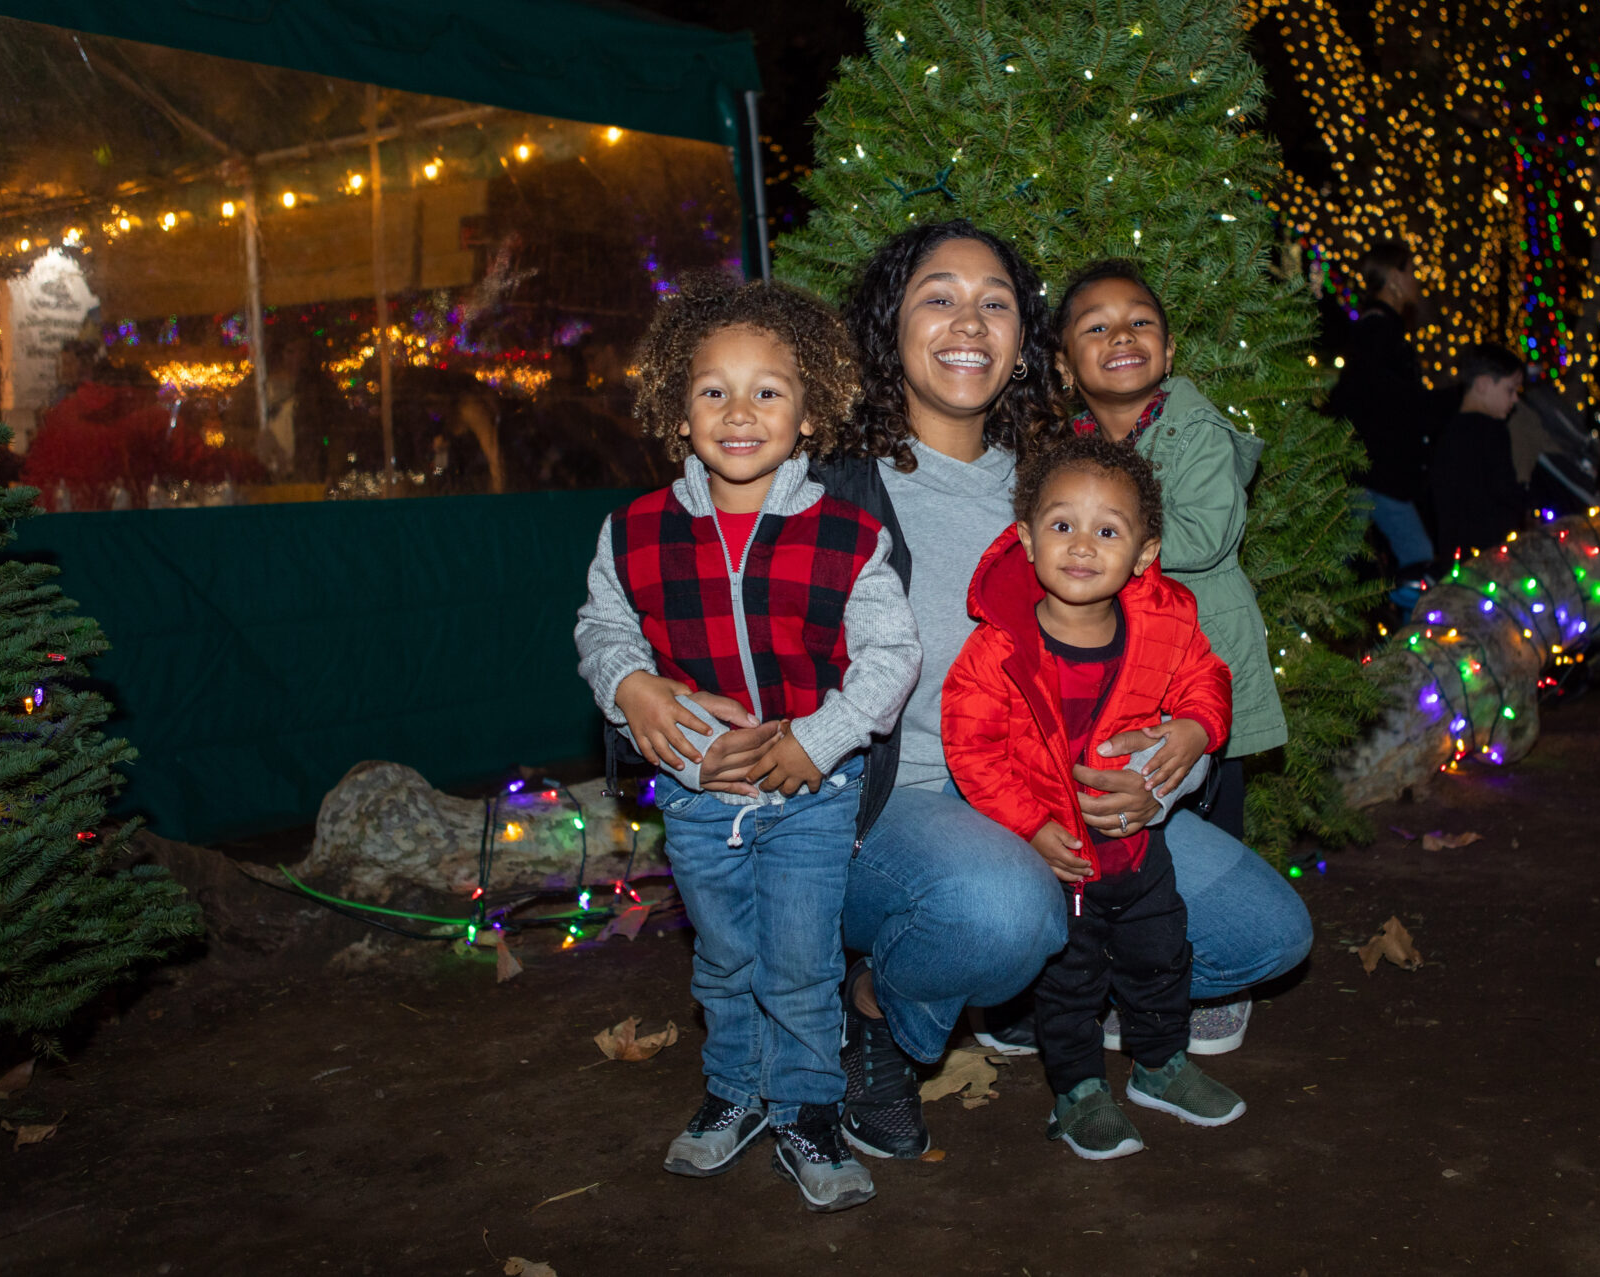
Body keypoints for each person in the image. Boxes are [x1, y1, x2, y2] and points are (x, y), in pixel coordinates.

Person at [613, 220, 1311, 1166]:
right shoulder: (815, 486)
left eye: (996, 302)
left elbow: (1155, 639)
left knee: (1273, 934)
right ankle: (880, 1009)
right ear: (888, 328)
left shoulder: (1056, 484)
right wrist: (632, 685)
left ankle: (1024, 984)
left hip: (1062, 794)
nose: (968, 321)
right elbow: (675, 588)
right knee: (1001, 910)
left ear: (1026, 339)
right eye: (937, 296)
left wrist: (1173, 756)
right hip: (879, 809)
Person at [573, 274, 921, 1213]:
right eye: (712, 390)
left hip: (811, 794)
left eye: (768, 389)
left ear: (808, 413)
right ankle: (735, 1090)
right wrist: (634, 691)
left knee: (802, 962)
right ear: (677, 413)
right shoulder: (635, 530)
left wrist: (821, 738)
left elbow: (893, 654)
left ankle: (806, 1104)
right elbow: (602, 633)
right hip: (694, 799)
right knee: (723, 959)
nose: (739, 411)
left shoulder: (849, 535)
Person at [943, 434, 1247, 1159]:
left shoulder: (1165, 623)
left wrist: (1196, 730)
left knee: (1160, 958)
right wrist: (1033, 826)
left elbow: (1207, 679)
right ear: (1025, 539)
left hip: (1141, 851)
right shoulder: (998, 649)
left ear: (1143, 552)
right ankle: (1078, 1089)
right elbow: (973, 751)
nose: (1082, 546)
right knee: (1070, 982)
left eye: (1107, 530)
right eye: (1061, 526)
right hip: (1061, 861)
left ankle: (1160, 1062)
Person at [1053, 259, 1288, 842]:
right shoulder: (1072, 450)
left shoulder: (1196, 430)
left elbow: (1207, 536)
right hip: (1125, 660)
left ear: (1170, 348)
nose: (1122, 336)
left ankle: (1217, 910)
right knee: (1124, 807)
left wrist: (1105, 543)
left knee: (1206, 805)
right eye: (1097, 328)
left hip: (1199, 657)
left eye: (1140, 323)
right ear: (1064, 366)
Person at [1326, 239, 1434, 614]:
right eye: (1410, 271)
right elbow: (1377, 400)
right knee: (1417, 563)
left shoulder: (1378, 329)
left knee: (1341, 565)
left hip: (1372, 471)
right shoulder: (1378, 332)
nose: (1417, 281)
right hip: (1375, 471)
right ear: (1393, 277)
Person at [1428, 344, 1528, 557]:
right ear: (1482, 384)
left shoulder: (1447, 430)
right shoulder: (1492, 431)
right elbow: (1505, 490)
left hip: (1454, 556)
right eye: (1510, 389)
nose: (1515, 399)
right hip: (1489, 558)